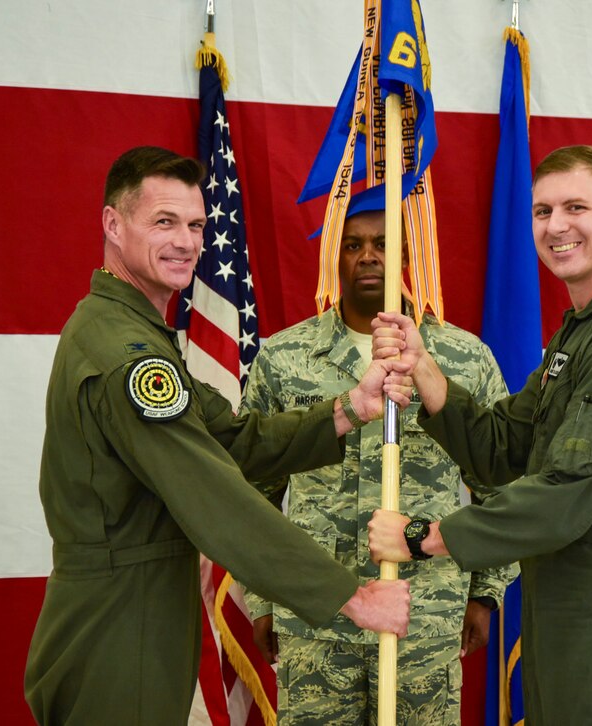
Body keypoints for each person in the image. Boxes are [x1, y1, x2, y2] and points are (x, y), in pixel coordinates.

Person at [24, 146, 413, 725]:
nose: (186, 241)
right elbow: (211, 493)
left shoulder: (135, 330)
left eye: (196, 224)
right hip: (119, 616)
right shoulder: (123, 355)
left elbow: (228, 440)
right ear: (113, 223)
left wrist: (350, 408)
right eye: (164, 222)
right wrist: (350, 597)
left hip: (140, 603)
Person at [369, 145, 592, 724]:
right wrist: (424, 370)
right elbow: (505, 450)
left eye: (577, 207)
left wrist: (425, 536)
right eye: (542, 211)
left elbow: (568, 491)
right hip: (571, 601)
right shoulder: (583, 332)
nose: (556, 226)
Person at [241, 202, 518, 724]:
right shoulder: (283, 358)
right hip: (314, 613)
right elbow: (253, 490)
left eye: (384, 244)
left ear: (408, 254)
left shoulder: (462, 357)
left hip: (426, 611)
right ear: (334, 259)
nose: (368, 258)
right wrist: (262, 599)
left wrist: (485, 592)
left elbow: (499, 484)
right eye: (353, 246)